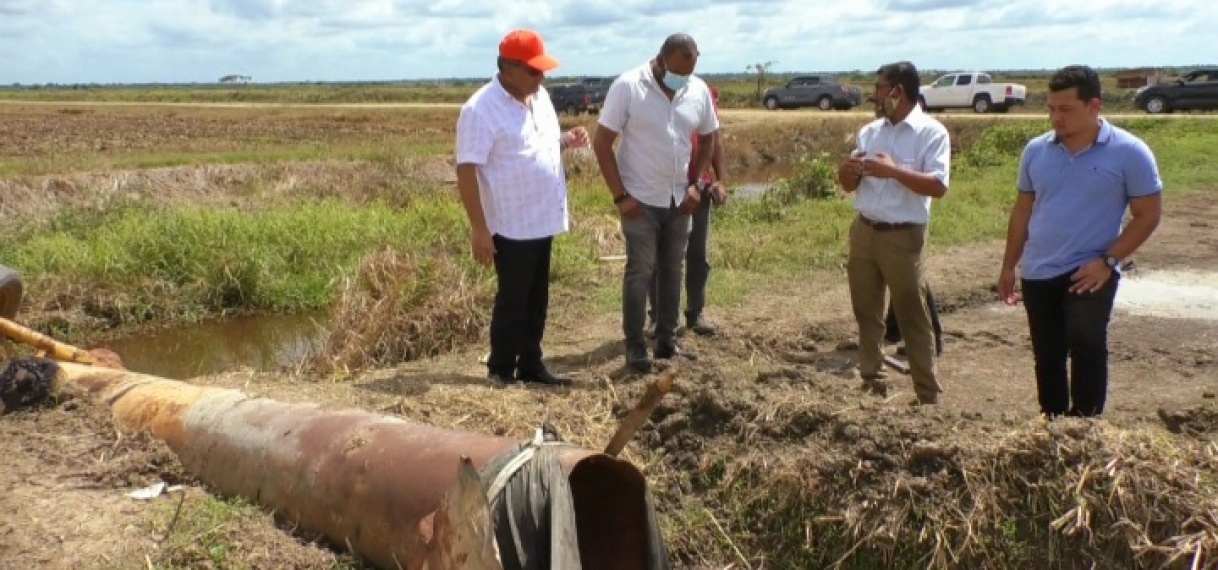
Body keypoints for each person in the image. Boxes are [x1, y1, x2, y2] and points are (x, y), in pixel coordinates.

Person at [998, 64, 1161, 418]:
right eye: (1052, 109)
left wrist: (1108, 260)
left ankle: (1085, 426)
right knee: (1048, 354)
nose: (1056, 118)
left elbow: (1148, 214)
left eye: (1066, 109)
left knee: (1087, 340)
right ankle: (1053, 426)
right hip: (1039, 268)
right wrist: (1009, 265)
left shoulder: (1129, 152)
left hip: (1091, 267)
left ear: (1094, 106)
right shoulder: (1035, 151)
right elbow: (1023, 211)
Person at [455, 29, 589, 386]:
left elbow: (535, 145)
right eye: (533, 71)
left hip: (542, 217)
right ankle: (501, 368)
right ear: (508, 69)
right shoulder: (480, 110)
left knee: (537, 299)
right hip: (510, 223)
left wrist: (565, 140)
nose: (541, 77)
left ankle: (531, 364)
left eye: (542, 70)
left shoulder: (540, 97)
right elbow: (467, 169)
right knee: (513, 300)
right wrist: (479, 229)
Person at [593, 33, 722, 374]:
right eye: (679, 70)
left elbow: (710, 136)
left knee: (673, 269)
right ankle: (635, 346)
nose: (683, 78)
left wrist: (697, 183)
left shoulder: (697, 90)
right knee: (640, 271)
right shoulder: (628, 86)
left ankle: (667, 340)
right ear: (661, 59)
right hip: (639, 199)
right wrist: (620, 195)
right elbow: (603, 142)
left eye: (690, 71)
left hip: (680, 200)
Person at [836, 61, 950, 405]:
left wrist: (893, 171)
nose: (875, 95)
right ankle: (872, 381)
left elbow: (938, 186)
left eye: (880, 88)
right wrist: (847, 172)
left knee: (911, 313)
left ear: (898, 92)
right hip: (865, 232)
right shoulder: (870, 132)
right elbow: (847, 186)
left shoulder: (932, 133)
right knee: (866, 312)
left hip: (903, 236)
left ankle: (926, 394)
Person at [648, 86, 728, 337]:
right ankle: (657, 316)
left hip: (698, 187)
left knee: (697, 253)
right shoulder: (651, 96)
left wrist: (720, 179)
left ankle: (696, 312)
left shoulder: (700, 94)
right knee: (660, 257)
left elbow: (713, 138)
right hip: (662, 188)